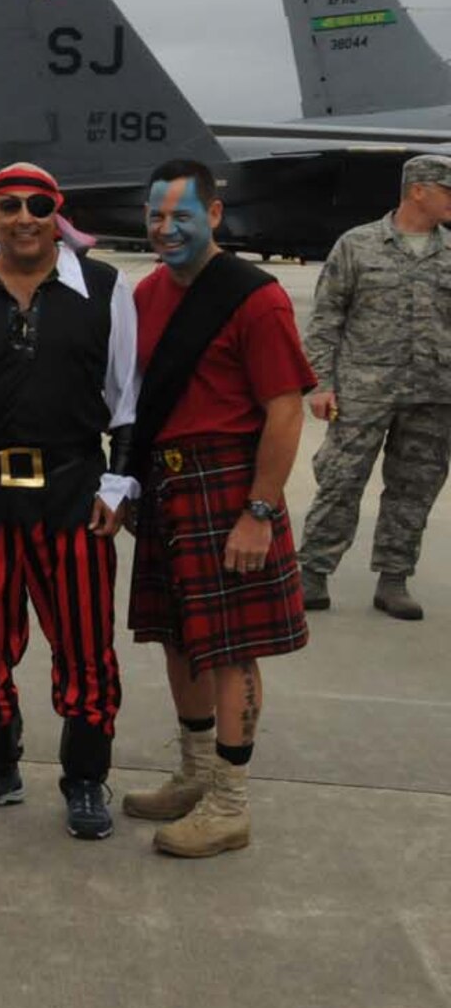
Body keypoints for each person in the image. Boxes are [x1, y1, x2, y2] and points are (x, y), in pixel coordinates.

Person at [0, 162, 138, 840]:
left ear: (57, 212)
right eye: (8, 206)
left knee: (85, 645)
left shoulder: (103, 286)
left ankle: (86, 779)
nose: (24, 218)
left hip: (73, 492)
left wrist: (118, 482)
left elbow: (127, 393)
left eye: (38, 205)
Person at [121, 159, 313, 857]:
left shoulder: (254, 299)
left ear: (215, 216)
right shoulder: (145, 294)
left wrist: (259, 511)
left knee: (232, 647)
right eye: (155, 216)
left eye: (181, 217)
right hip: (169, 486)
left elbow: (285, 409)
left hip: (230, 487)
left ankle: (230, 802)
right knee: (178, 637)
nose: (165, 230)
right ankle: (196, 775)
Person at [295, 153, 451, 620]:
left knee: (414, 488)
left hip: (434, 394)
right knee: (340, 479)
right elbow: (326, 319)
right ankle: (312, 573)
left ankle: (394, 579)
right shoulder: (358, 245)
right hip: (364, 389)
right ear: (418, 190)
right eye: (447, 190)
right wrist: (321, 383)